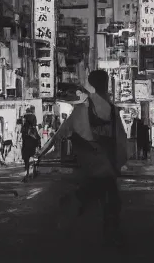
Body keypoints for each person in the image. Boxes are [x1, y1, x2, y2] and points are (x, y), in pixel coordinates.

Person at [42, 69, 128, 248]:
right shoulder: (111, 111)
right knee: (108, 200)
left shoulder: (81, 109)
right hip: (105, 166)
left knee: (99, 197)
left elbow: (60, 134)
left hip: (87, 165)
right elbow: (120, 140)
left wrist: (42, 152)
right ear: (107, 85)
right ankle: (107, 232)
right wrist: (120, 163)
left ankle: (101, 227)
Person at [21, 113, 41, 181]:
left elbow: (24, 136)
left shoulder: (26, 127)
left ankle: (28, 174)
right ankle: (31, 173)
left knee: (28, 160)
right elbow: (37, 137)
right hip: (30, 146)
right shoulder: (30, 128)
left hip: (27, 146)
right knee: (32, 159)